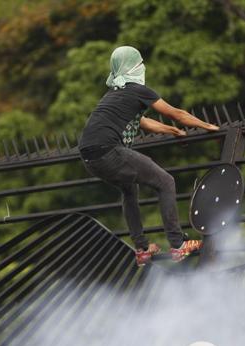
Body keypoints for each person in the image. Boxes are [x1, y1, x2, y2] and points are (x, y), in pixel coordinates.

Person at [78, 46, 219, 266]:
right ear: (135, 67)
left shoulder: (114, 95)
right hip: (109, 151)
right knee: (165, 181)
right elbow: (176, 113)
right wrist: (207, 125)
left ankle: (142, 249)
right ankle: (178, 245)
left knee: (129, 189)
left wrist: (174, 132)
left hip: (89, 156)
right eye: (140, 64)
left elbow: (144, 122)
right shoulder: (138, 90)